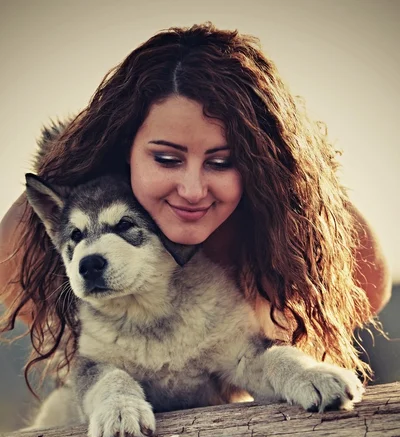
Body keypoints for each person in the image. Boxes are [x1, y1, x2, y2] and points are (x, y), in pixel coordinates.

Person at [0, 22, 392, 393]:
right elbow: (53, 331)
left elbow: (368, 289)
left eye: (221, 162)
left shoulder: (297, 223)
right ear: (126, 153)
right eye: (167, 159)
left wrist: (256, 340)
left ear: (258, 167)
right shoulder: (29, 234)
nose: (192, 190)